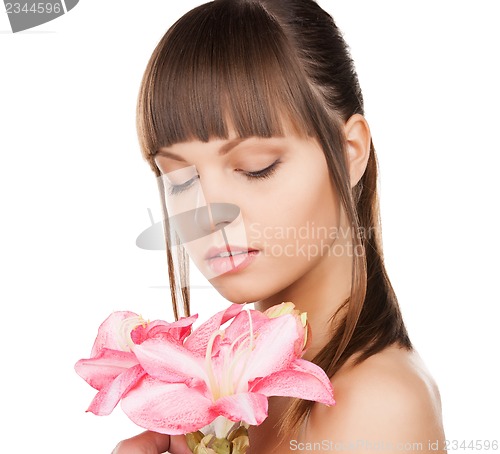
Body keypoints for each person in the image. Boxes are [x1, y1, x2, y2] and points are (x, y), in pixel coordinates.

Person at [113, 0, 446, 452]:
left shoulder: (377, 406)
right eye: (180, 178)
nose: (208, 212)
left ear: (350, 153)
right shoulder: (232, 398)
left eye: (256, 167)